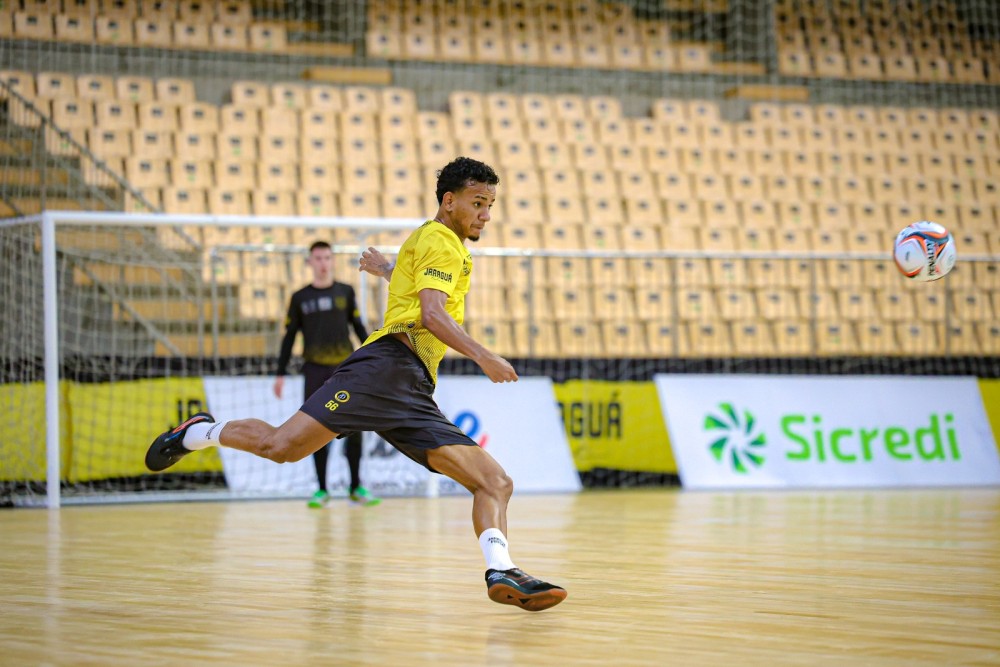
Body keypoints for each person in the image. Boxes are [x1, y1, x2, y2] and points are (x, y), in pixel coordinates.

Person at [146, 157, 567, 612]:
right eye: (478, 203)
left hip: (411, 387)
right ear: (450, 202)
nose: (486, 214)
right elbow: (430, 314)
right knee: (280, 447)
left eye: (491, 205)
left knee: (495, 482)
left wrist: (389, 270)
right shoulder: (443, 241)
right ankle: (194, 433)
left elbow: (414, 293)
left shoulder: (434, 240)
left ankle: (501, 570)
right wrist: (484, 354)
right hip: (382, 369)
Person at [274, 240, 380, 509]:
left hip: (345, 370)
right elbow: (289, 337)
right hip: (314, 371)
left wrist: (374, 358)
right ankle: (321, 490)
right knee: (314, 430)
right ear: (310, 262)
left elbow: (357, 327)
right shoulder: (300, 298)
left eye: (326, 258)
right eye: (317, 258)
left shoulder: (345, 291)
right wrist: (279, 373)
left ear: (332, 261)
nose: (322, 263)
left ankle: (356, 486)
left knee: (353, 427)